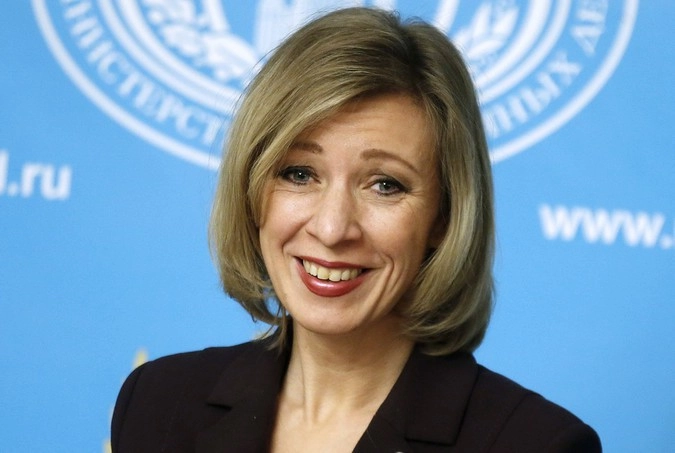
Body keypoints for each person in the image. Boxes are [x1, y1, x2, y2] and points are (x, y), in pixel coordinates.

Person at [111, 7, 601, 452]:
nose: (331, 228)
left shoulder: (537, 445)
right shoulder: (158, 404)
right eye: (299, 174)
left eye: (385, 185)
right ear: (252, 187)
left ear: (444, 217)